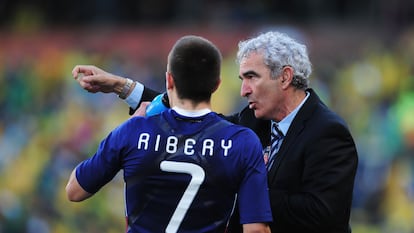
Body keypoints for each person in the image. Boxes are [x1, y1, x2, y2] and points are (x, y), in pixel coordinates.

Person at [72, 31, 358, 233]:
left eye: (251, 78)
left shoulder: (327, 132)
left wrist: (248, 183)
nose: (244, 89)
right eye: (241, 79)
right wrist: (125, 88)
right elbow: (197, 118)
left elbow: (324, 214)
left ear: (284, 77)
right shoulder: (255, 118)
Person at [66, 35, 272, 233]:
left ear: (169, 81)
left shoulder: (133, 131)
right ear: (216, 84)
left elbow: (74, 191)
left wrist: (128, 127)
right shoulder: (242, 142)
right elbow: (256, 229)